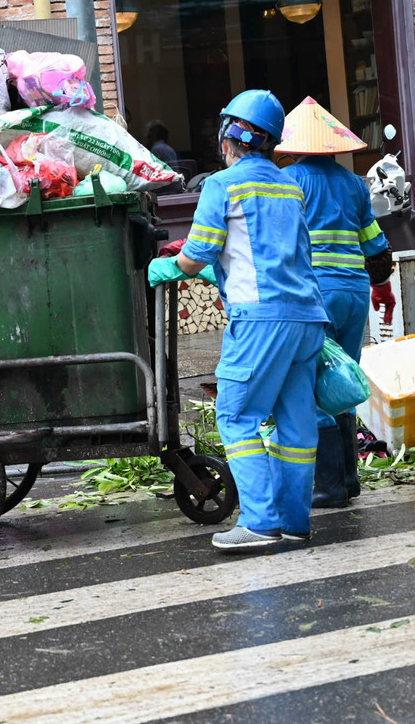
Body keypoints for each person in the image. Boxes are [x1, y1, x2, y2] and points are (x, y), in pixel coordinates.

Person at [147, 90, 328, 551]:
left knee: (235, 413)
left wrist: (170, 267)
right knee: (295, 425)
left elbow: (198, 252)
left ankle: (261, 523)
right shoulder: (289, 185)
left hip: (261, 319)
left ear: (233, 135)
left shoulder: (223, 185)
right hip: (307, 318)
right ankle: (293, 521)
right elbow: (283, 252)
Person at [278, 97, 396, 508]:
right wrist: (383, 288)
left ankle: (327, 486)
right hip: (354, 293)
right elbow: (377, 246)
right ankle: (349, 480)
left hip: (316, 298)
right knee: (341, 382)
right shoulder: (353, 183)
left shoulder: (289, 180)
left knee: (311, 388)